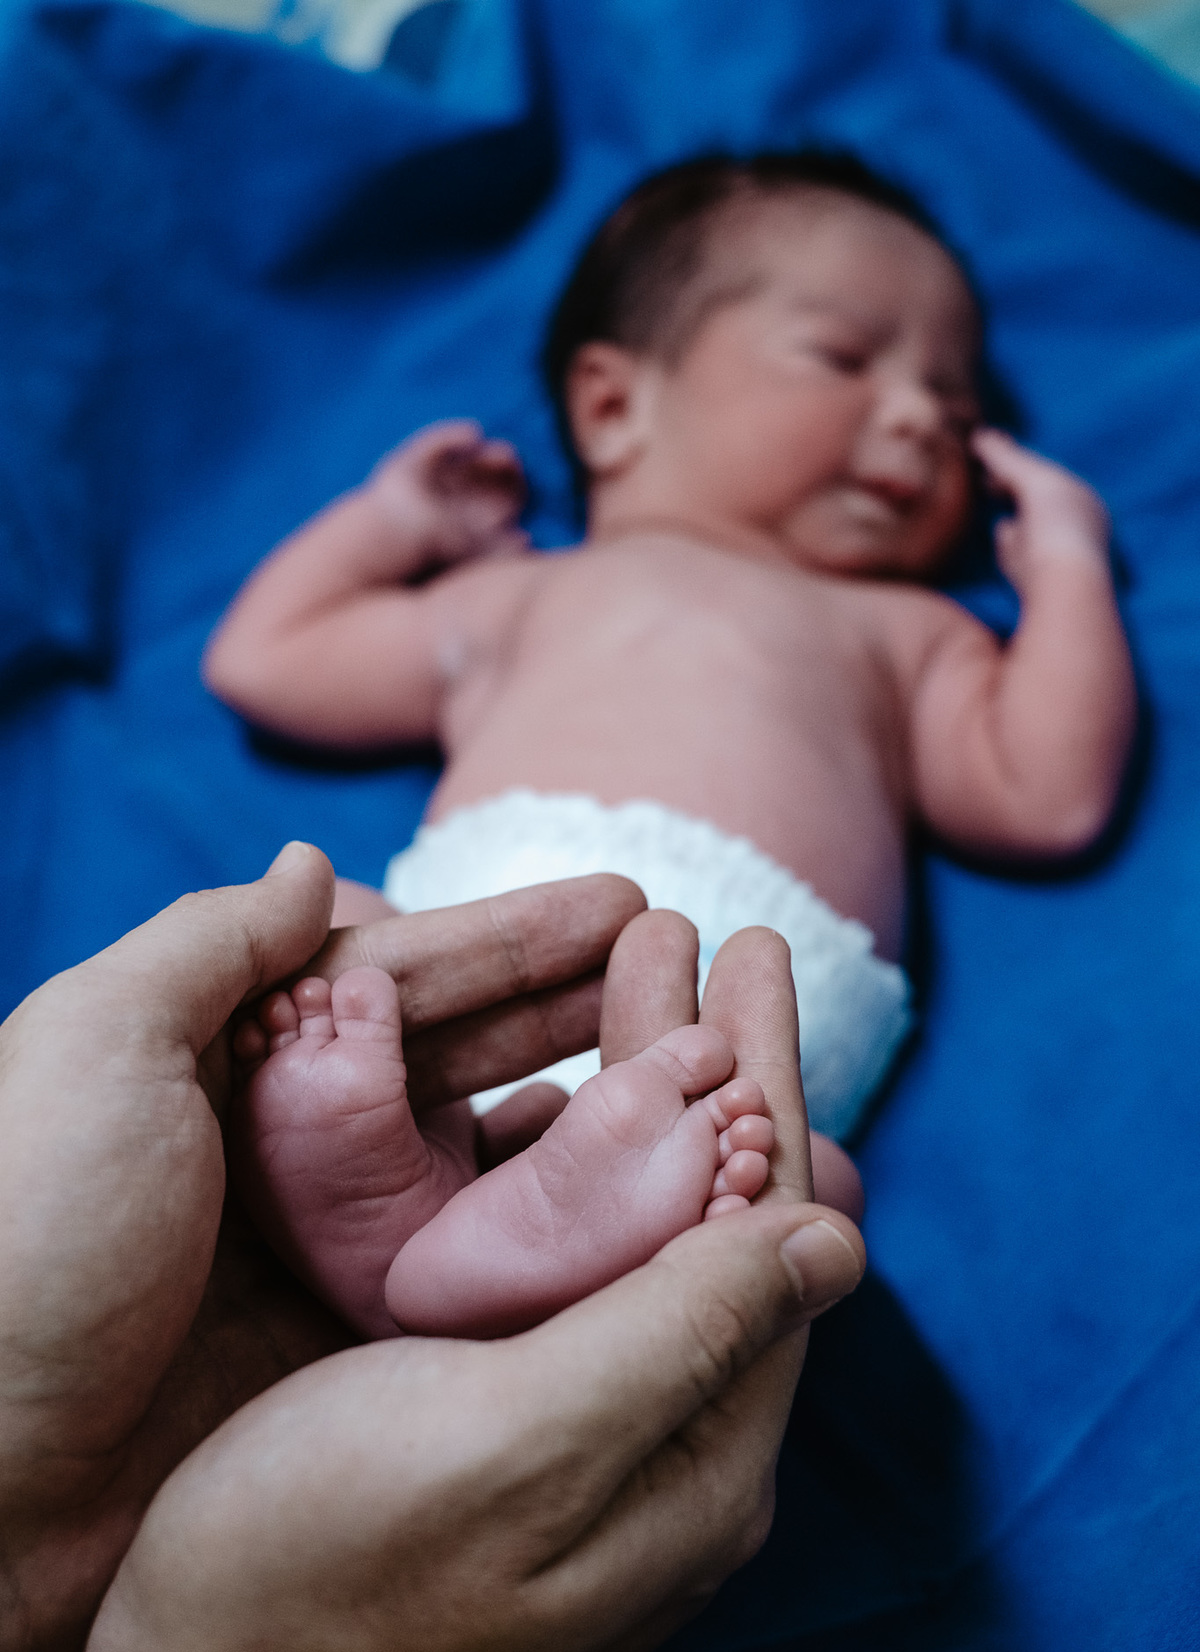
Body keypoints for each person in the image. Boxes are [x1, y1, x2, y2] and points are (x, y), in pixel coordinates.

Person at [202, 149, 1135, 1345]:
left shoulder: (909, 634)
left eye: (958, 418)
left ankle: (448, 1233)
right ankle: (402, 1195)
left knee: (819, 1202)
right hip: (477, 973)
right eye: (843, 359)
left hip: (733, 1047)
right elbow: (268, 661)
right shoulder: (526, 595)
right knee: (343, 930)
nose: (918, 419)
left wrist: (1064, 566)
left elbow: (1048, 791)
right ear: (613, 407)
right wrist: (396, 522)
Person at [0, 843, 865, 1652]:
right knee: (801, 1178)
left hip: (486, 906)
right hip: (680, 980)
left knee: (340, 963)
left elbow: (272, 681)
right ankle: (470, 1240)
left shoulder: (494, 681)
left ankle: (418, 1234)